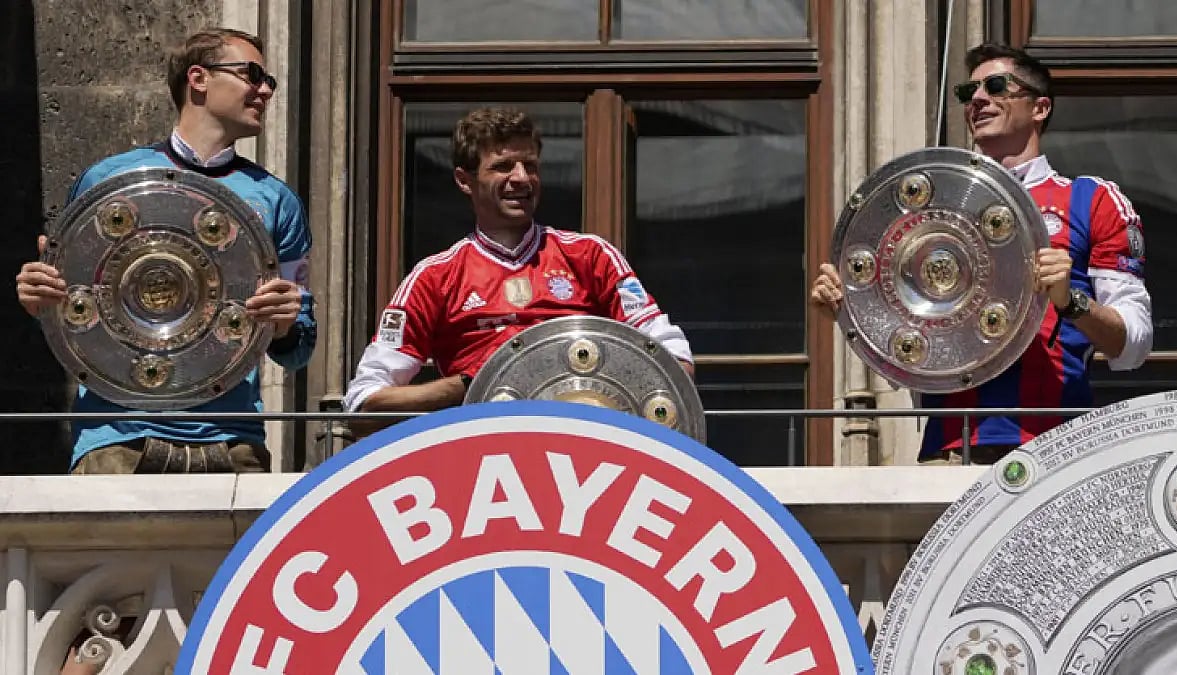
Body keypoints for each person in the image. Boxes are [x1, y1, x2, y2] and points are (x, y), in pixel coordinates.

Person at [810, 42, 1152, 464]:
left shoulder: (1091, 199)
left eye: (995, 86)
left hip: (1057, 452)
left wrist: (1071, 302)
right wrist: (853, 313)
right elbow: (907, 352)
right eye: (967, 93)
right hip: (948, 454)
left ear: (1039, 107)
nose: (976, 100)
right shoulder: (934, 206)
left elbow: (1134, 345)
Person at [14, 28, 316, 475]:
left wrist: (288, 322)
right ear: (199, 78)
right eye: (253, 74)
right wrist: (40, 297)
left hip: (232, 442)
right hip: (117, 438)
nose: (267, 89)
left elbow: (300, 345)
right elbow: (70, 308)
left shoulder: (275, 200)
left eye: (268, 79)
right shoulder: (110, 181)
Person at [344, 106, 693, 436]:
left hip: (589, 449)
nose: (522, 178)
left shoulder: (590, 255)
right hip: (485, 460)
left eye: (530, 165)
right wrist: (471, 384)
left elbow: (673, 359)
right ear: (465, 180)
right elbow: (363, 404)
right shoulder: (434, 276)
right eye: (503, 166)